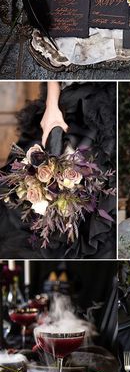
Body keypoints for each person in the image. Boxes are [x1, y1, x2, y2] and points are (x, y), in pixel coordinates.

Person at [0, 81, 116, 259]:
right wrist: (52, 104)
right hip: (65, 101)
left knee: (99, 183)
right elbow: (53, 73)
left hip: (102, 102)